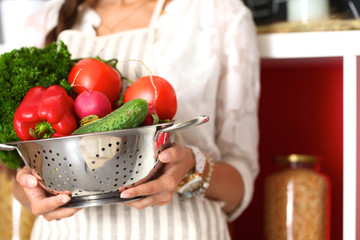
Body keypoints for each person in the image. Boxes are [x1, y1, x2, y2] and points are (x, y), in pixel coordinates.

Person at [12, 0, 260, 239]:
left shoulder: (221, 15)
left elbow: (239, 187)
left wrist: (190, 168)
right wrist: (33, 191)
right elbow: (19, 184)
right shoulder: (42, 22)